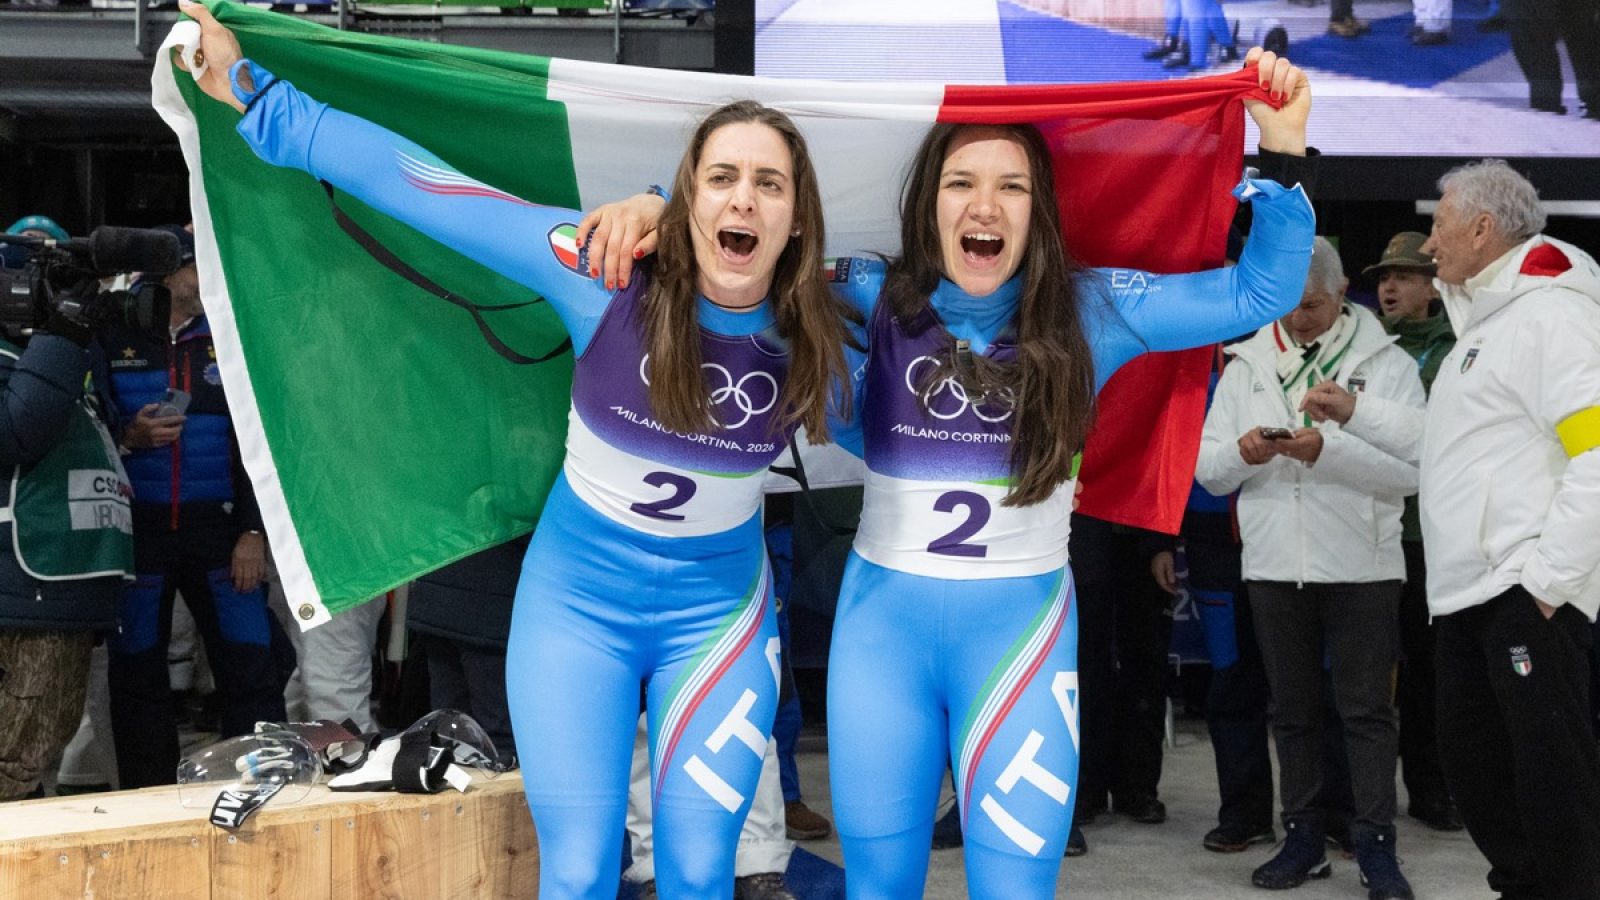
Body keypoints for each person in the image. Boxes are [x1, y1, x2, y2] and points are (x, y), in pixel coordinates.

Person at [594, 48, 1314, 898]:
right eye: (960, 183)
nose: (984, 206)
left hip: (1021, 647)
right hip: (881, 646)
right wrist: (659, 200)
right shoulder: (872, 292)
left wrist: (1283, 151)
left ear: (1040, 209)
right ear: (926, 203)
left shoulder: (1093, 308)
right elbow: (742, 249)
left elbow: (1260, 292)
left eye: (1011, 187)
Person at [177, 6, 859, 898]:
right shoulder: (602, 272)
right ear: (685, 201)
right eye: (721, 177)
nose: (743, 199)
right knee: (576, 871)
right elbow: (427, 187)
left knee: (700, 872)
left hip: (719, 621)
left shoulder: (821, 332)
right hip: (578, 610)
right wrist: (255, 94)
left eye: (769, 184)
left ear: (799, 219)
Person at [1310, 158, 1600, 899]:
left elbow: (1597, 453)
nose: (1430, 244)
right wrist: (1356, 412)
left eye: (1439, 226)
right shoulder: (1485, 323)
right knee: (1478, 771)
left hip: (1524, 593)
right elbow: (1443, 442)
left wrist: (1549, 582)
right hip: (1470, 595)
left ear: (1482, 228)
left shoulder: (1553, 315)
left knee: (1554, 785)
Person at [1197, 237, 1425, 898]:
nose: (1299, 318)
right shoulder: (1245, 363)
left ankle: (1375, 846)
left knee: (1365, 714)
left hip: (1364, 564)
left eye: (1313, 306)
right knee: (1293, 712)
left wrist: (1327, 451)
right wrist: (1243, 454)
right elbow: (1209, 472)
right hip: (1274, 562)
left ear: (1342, 291)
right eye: (1288, 306)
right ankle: (1301, 838)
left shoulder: (1386, 363)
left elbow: (1413, 471)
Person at [102, 224, 291, 789]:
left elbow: (261, 441)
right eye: (200, 265)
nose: (212, 275)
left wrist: (254, 532)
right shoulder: (111, 331)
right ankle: (149, 800)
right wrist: (128, 435)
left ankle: (259, 787)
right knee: (136, 674)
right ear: (171, 274)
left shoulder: (231, 333)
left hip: (221, 534)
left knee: (254, 663)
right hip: (138, 534)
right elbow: (83, 424)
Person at [0, 272, 135, 802]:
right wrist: (62, 334)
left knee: (31, 757)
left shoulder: (52, 353)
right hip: (25, 584)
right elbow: (17, 430)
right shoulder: (53, 349)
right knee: (16, 759)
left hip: (60, 584)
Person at [1363, 230, 1462, 833]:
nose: (1389, 287)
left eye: (1403, 276)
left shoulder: (1461, 346)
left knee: (1430, 671)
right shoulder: (1365, 347)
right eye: (1383, 278)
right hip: (1370, 527)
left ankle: (1431, 788)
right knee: (1369, 675)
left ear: (1433, 286)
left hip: (1430, 534)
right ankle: (1366, 797)